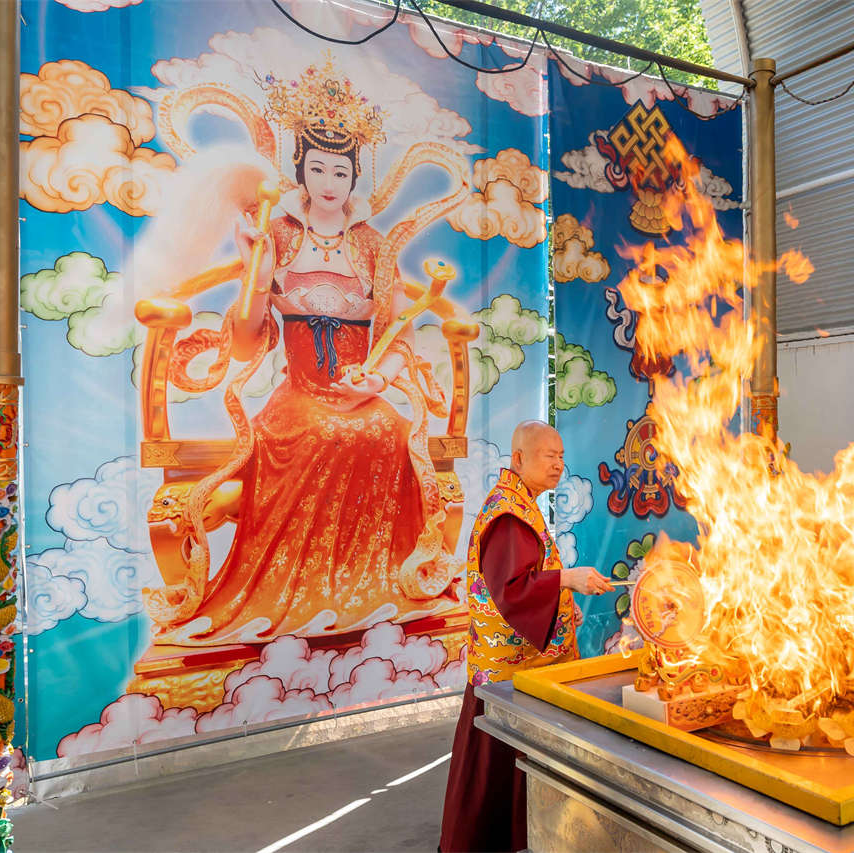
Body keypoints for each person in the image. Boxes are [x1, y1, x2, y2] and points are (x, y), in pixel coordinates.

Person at [145, 59, 452, 644]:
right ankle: (297, 590)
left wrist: (379, 379)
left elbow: (399, 333)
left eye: (340, 170)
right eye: (318, 169)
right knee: (318, 432)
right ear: (301, 172)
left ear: (355, 176)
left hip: (361, 393)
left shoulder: (373, 246)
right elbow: (246, 339)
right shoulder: (278, 234)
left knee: (387, 429)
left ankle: (372, 587)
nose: (329, 182)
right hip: (302, 393)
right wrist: (255, 269)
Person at [439, 421, 612, 853]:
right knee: (497, 763)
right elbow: (511, 589)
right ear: (518, 458)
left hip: (512, 666)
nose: (558, 465)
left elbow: (525, 578)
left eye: (561, 456)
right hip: (509, 672)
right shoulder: (509, 516)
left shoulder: (519, 502)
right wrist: (568, 579)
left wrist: (563, 595)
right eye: (549, 456)